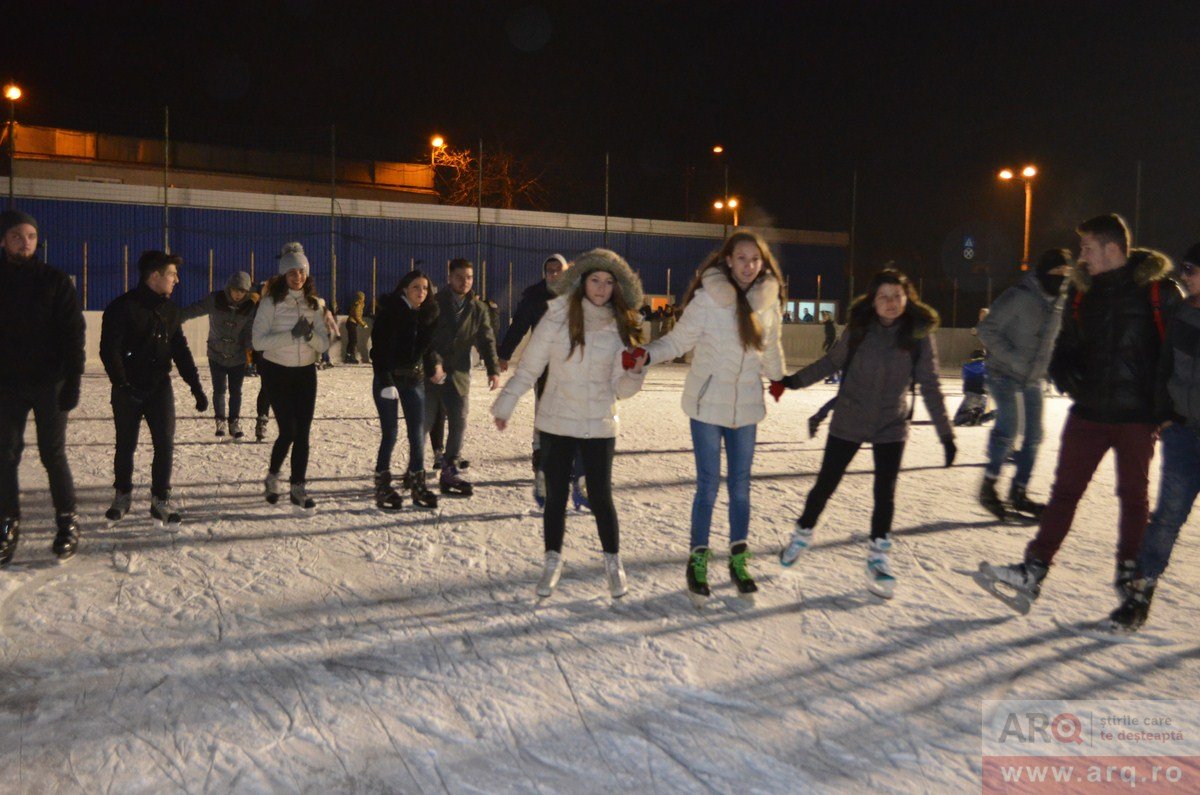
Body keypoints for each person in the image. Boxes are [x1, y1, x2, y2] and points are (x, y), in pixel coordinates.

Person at [982, 214, 1183, 606]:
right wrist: (1063, 370)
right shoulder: (1081, 294)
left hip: (1136, 418)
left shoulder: (1158, 293)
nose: (1081, 256)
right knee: (1064, 494)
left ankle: (1130, 575)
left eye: (1087, 248)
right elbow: (1065, 345)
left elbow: (1177, 354)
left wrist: (1167, 407)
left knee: (1133, 497)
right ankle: (1033, 570)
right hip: (1088, 413)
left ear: (1112, 249)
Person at [627, 230, 785, 606]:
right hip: (706, 406)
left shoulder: (768, 301)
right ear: (728, 260)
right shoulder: (707, 299)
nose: (748, 265)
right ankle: (697, 561)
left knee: (741, 487)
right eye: (742, 258)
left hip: (746, 407)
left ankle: (738, 561)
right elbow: (678, 342)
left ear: (761, 263)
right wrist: (646, 354)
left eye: (754, 259)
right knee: (709, 485)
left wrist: (779, 378)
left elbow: (772, 347)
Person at [778, 268, 955, 598]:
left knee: (884, 493)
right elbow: (832, 362)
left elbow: (930, 385)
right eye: (883, 297)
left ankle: (878, 557)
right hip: (850, 418)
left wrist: (946, 434)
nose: (890, 303)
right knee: (826, 483)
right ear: (873, 301)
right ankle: (801, 534)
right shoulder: (860, 329)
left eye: (896, 296)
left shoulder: (917, 334)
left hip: (892, 423)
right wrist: (795, 381)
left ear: (907, 298)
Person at [493, 249, 646, 599]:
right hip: (557, 421)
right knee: (557, 495)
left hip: (599, 423)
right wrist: (506, 402)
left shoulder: (620, 324)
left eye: (609, 282)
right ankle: (552, 560)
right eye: (595, 280)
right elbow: (530, 367)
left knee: (602, 496)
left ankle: (612, 560)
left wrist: (635, 372)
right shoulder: (556, 316)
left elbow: (620, 388)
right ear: (581, 280)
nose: (601, 288)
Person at [1106, 243, 1200, 631]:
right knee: (1166, 518)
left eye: (1192, 269)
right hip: (1183, 432)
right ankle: (1140, 592)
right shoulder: (1180, 313)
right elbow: (1163, 366)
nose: (1184, 275)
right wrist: (1163, 413)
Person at [0, 210, 86, 564]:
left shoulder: (54, 280)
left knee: (53, 454)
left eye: (31, 236)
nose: (25, 242)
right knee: (5, 455)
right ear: (3, 239)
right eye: (18, 235)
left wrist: (75, 379)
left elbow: (73, 332)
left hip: (51, 382)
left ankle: (67, 523)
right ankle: (7, 522)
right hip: (6, 384)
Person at [100, 250, 209, 527]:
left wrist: (195, 387)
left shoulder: (170, 311)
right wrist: (123, 384)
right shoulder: (122, 307)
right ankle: (122, 495)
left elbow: (181, 351)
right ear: (155, 275)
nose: (177, 280)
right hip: (128, 390)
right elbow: (109, 350)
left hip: (159, 388)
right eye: (172, 274)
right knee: (126, 444)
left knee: (165, 444)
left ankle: (160, 499)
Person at [973, 248, 1069, 519]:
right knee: (1009, 428)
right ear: (1043, 272)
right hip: (1004, 373)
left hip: (1033, 378)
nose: (1060, 278)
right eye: (1056, 273)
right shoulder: (1019, 296)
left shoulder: (1059, 303)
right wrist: (1014, 359)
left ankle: (1019, 491)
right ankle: (989, 487)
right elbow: (986, 329)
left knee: (1035, 436)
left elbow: (1056, 341)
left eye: (1065, 274)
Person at [251, 242, 331, 512]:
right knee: (288, 431)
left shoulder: (316, 304)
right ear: (283, 275)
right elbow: (258, 341)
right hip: (277, 372)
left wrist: (309, 336)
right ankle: (273, 475)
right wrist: (292, 334)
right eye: (292, 272)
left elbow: (324, 345)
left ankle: (298, 485)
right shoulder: (270, 302)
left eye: (302, 271)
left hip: (306, 373)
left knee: (304, 433)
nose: (298, 276)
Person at [496, 253, 574, 505]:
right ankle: (540, 452)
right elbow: (518, 325)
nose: (553, 274)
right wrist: (504, 353)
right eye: (549, 270)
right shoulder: (535, 296)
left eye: (557, 270)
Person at [369, 269, 446, 510]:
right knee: (390, 432)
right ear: (404, 288)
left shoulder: (427, 315)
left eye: (425, 288)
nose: (421, 292)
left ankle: (416, 481)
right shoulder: (390, 313)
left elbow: (429, 349)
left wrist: (435, 365)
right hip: (388, 379)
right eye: (416, 287)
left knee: (417, 433)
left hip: (413, 379)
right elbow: (377, 351)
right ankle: (382, 482)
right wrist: (386, 381)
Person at [424, 258, 500, 496]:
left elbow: (486, 340)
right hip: (431, 373)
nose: (465, 282)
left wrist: (493, 369)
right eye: (459, 277)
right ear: (449, 278)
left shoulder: (478, 309)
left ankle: (450, 469)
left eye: (469, 277)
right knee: (424, 423)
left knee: (459, 421)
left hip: (458, 375)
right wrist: (434, 363)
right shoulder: (435, 304)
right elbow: (426, 338)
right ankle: (414, 469)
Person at [180, 271, 256, 440]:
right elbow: (195, 309)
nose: (238, 294)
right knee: (219, 389)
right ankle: (220, 420)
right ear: (229, 288)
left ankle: (234, 421)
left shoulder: (249, 307)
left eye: (242, 291)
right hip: (216, 354)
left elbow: (249, 333)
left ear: (247, 292)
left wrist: (252, 355)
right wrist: (176, 318)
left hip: (237, 357)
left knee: (236, 391)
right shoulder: (216, 300)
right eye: (235, 290)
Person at [344, 290, 368, 363]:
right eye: (363, 297)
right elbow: (357, 316)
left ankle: (349, 356)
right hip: (352, 323)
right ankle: (350, 357)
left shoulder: (357, 304)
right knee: (353, 340)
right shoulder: (358, 304)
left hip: (351, 323)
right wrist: (363, 324)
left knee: (352, 340)